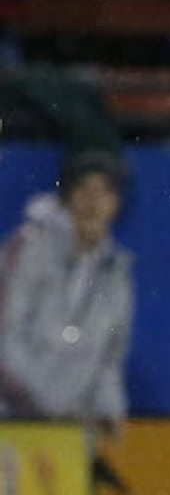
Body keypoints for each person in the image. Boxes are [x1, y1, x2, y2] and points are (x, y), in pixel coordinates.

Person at [0, 151, 134, 453]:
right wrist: (42, 408)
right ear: (67, 198)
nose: (93, 202)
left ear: (116, 203)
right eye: (84, 190)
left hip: (69, 436)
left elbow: (109, 358)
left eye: (104, 192)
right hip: (11, 425)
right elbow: (5, 337)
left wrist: (109, 411)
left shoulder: (116, 272)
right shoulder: (27, 250)